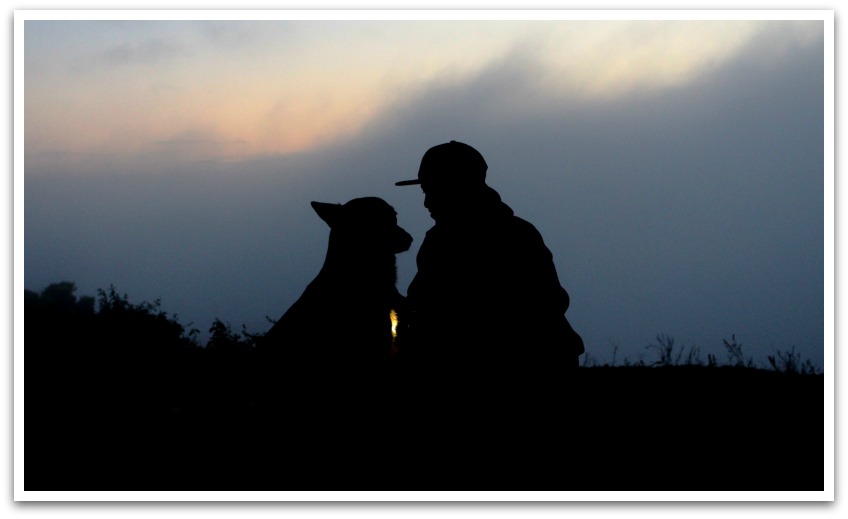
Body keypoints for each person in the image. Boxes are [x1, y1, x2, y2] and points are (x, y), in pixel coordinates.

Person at [393, 142, 584, 469]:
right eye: (425, 191)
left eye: (432, 189)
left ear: (458, 187)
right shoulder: (455, 238)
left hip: (514, 389)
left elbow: (539, 309)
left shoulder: (484, 239)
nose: (426, 201)